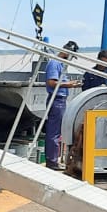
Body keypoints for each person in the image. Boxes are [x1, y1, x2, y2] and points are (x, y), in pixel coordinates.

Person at [43, 40, 80, 169]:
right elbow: (51, 82)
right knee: (54, 132)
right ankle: (52, 161)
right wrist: (68, 85)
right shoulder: (55, 63)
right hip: (56, 100)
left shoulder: (61, 65)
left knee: (57, 131)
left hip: (61, 100)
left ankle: (54, 159)